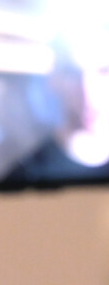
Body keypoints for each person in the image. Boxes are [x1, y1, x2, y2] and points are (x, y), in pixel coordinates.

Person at [7, 25, 109, 182]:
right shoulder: (25, 178)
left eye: (104, 71)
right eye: (73, 73)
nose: (87, 90)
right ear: (53, 80)